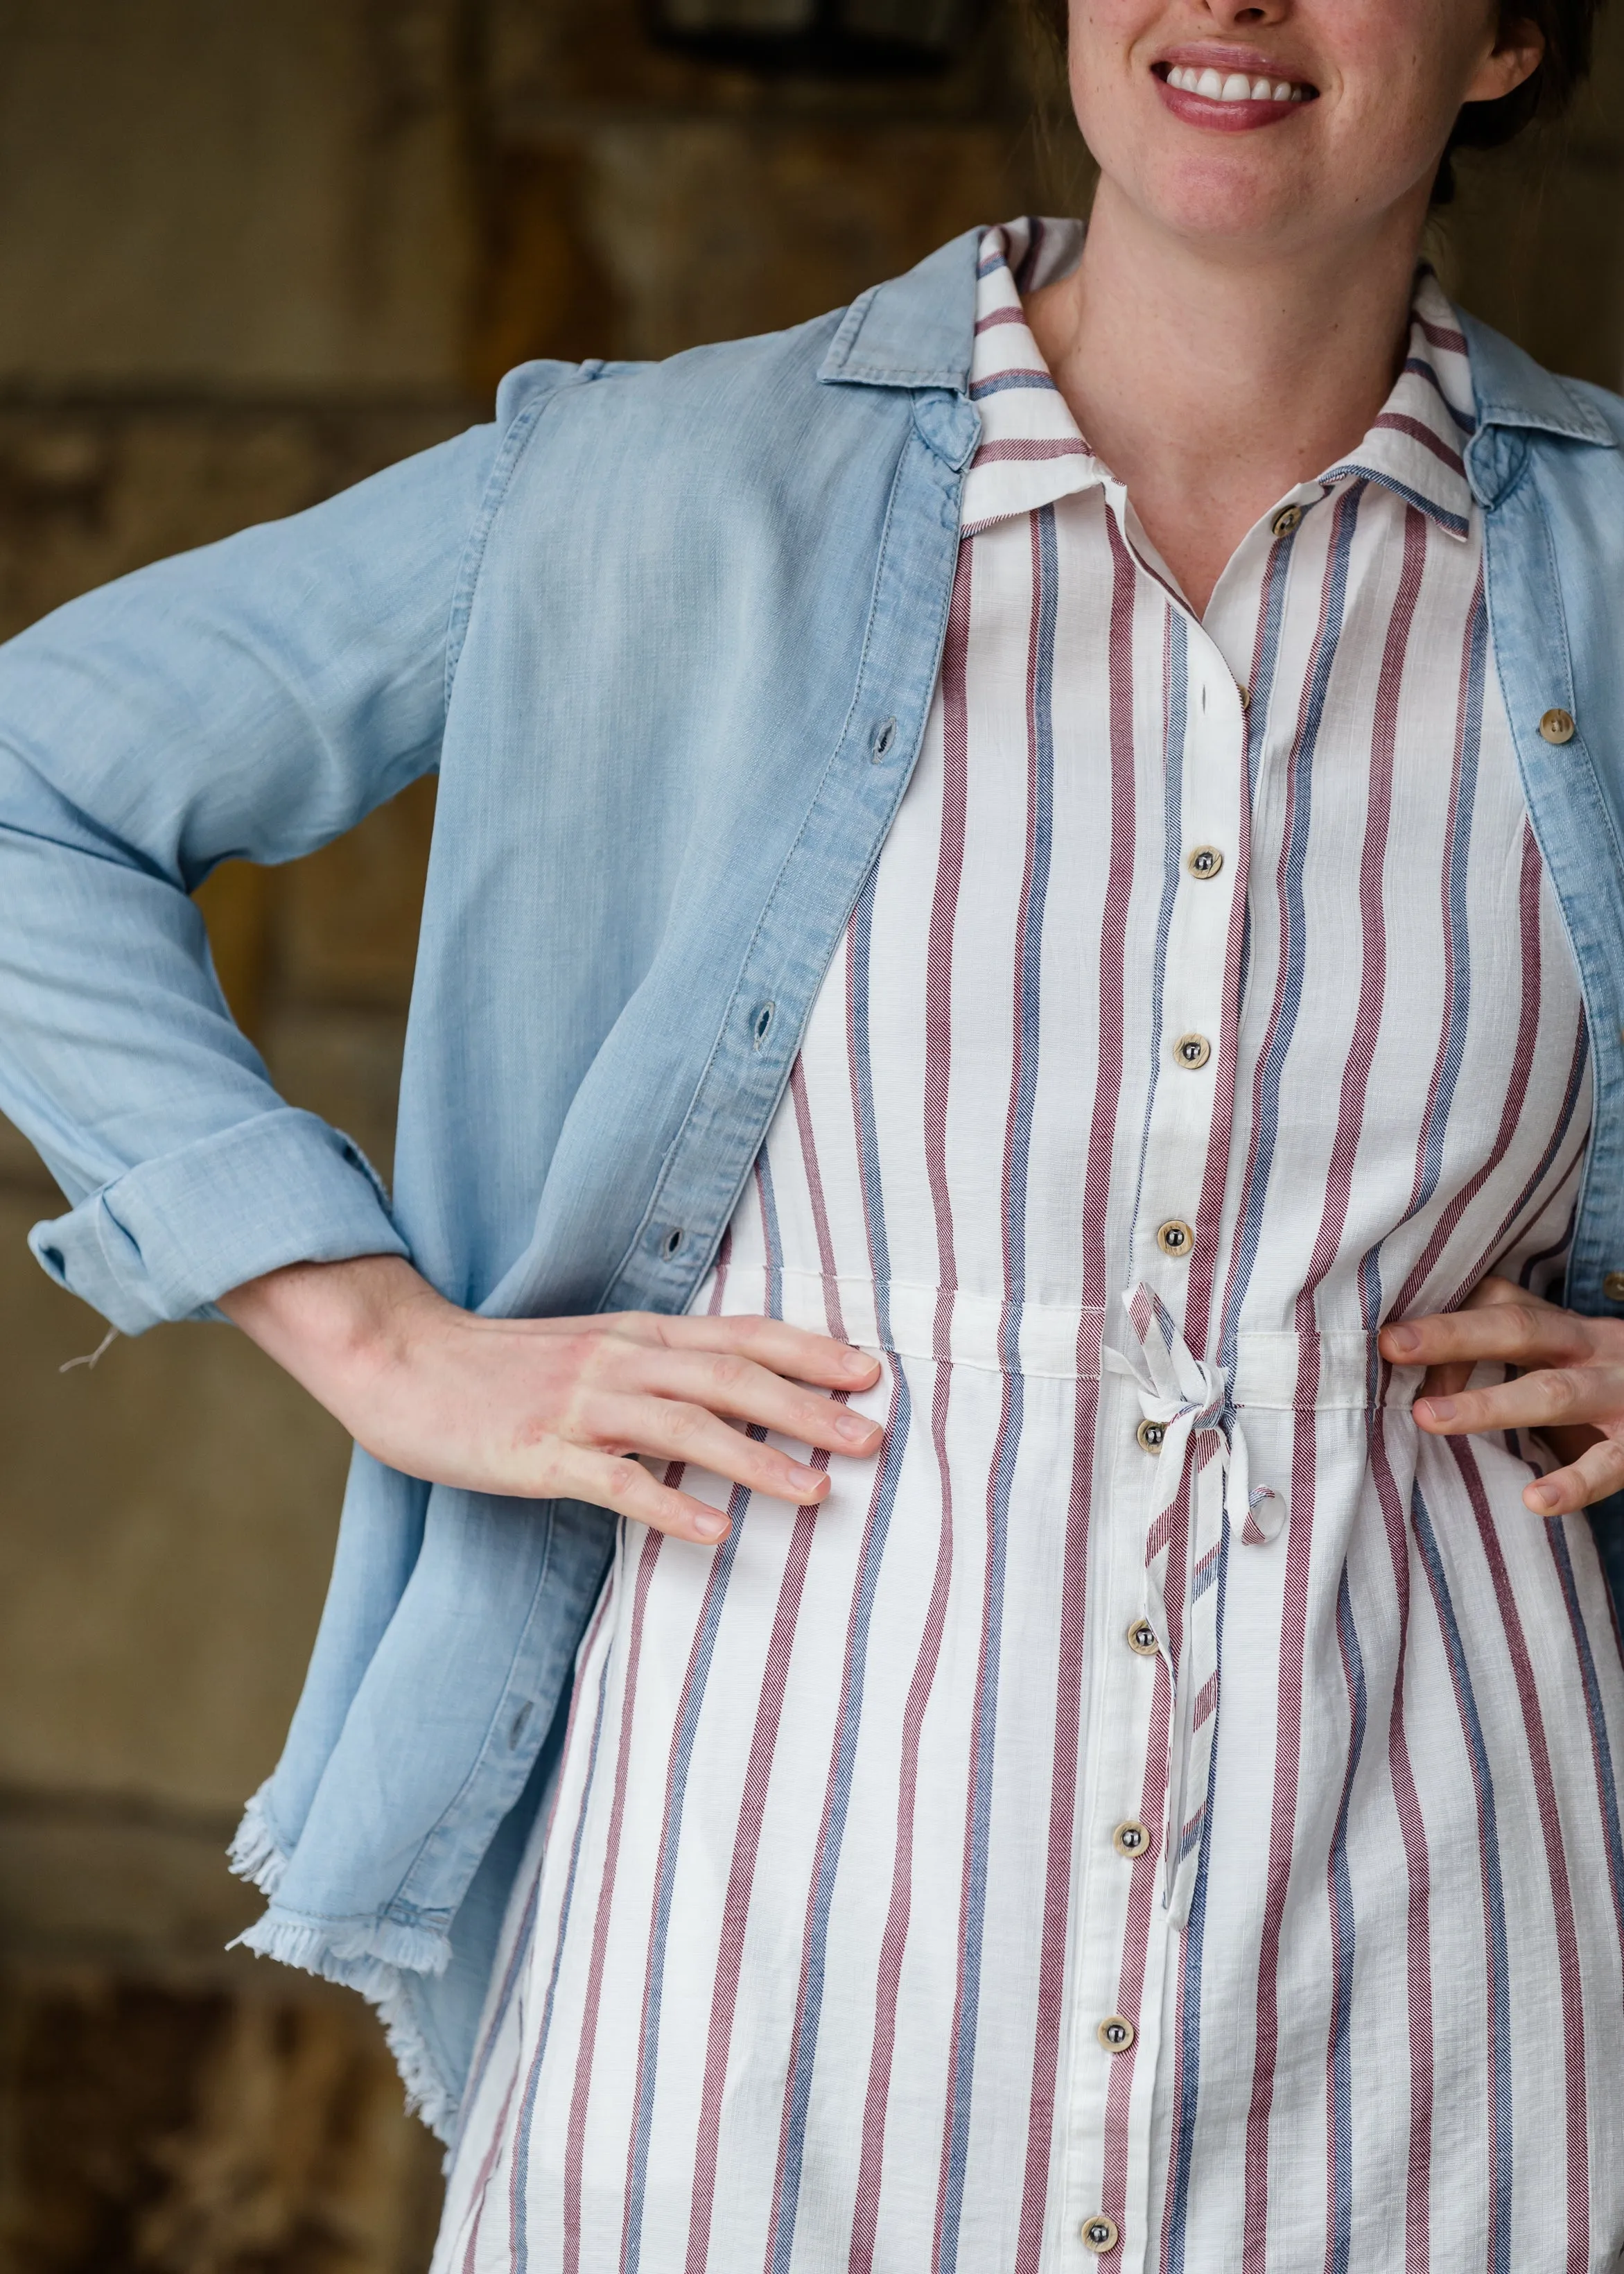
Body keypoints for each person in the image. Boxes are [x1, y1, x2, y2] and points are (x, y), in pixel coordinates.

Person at [2, 0, 1623, 2261]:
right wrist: (382, 1339)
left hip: (1420, 2002)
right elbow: (33, 789)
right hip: (758, 1979)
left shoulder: (1603, 576)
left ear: (1502, 40)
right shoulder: (653, 487)